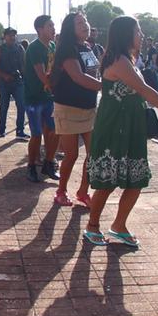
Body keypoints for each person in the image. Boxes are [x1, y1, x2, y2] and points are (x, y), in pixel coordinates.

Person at [82, 16, 158, 246]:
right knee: (108, 180)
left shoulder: (130, 59)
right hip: (113, 127)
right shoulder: (119, 60)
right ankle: (93, 225)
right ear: (125, 34)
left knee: (136, 179)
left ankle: (119, 226)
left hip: (131, 127)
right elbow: (144, 90)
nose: (141, 36)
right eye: (137, 31)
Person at [51, 12, 102, 207]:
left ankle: (83, 191)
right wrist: (104, 86)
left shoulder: (88, 47)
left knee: (93, 153)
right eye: (80, 23)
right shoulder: (66, 48)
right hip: (68, 108)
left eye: (86, 21)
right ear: (70, 28)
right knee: (71, 155)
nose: (85, 25)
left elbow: (94, 72)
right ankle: (61, 191)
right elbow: (78, 77)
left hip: (88, 108)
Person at [24, 15, 60, 182]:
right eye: (49, 26)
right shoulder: (34, 48)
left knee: (54, 131)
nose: (53, 28)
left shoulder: (52, 45)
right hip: (34, 98)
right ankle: (31, 165)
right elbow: (41, 74)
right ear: (39, 29)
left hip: (49, 97)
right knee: (37, 134)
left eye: (53, 25)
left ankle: (48, 163)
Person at [0, 27, 27, 139]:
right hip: (4, 83)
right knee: (4, 106)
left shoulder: (20, 48)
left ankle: (20, 130)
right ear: (5, 36)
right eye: (10, 35)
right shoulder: (0, 49)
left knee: (21, 106)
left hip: (18, 81)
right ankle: (1, 130)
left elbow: (23, 65)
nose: (12, 37)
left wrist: (25, 79)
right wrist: (4, 75)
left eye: (14, 35)